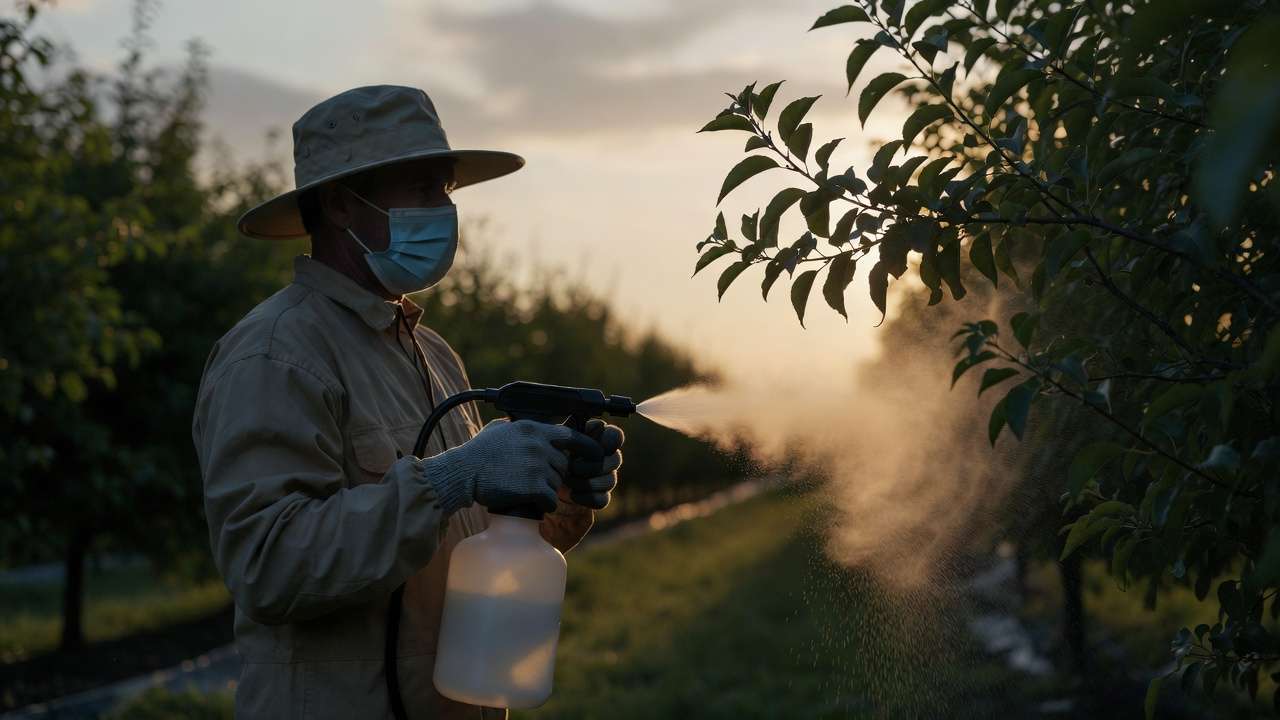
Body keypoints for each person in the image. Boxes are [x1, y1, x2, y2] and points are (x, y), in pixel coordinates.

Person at [191, 85, 624, 720]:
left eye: (445, 191)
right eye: (423, 190)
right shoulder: (276, 356)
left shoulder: (433, 355)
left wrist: (558, 496)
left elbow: (470, 548)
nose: (444, 211)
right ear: (340, 204)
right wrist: (454, 476)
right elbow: (268, 565)